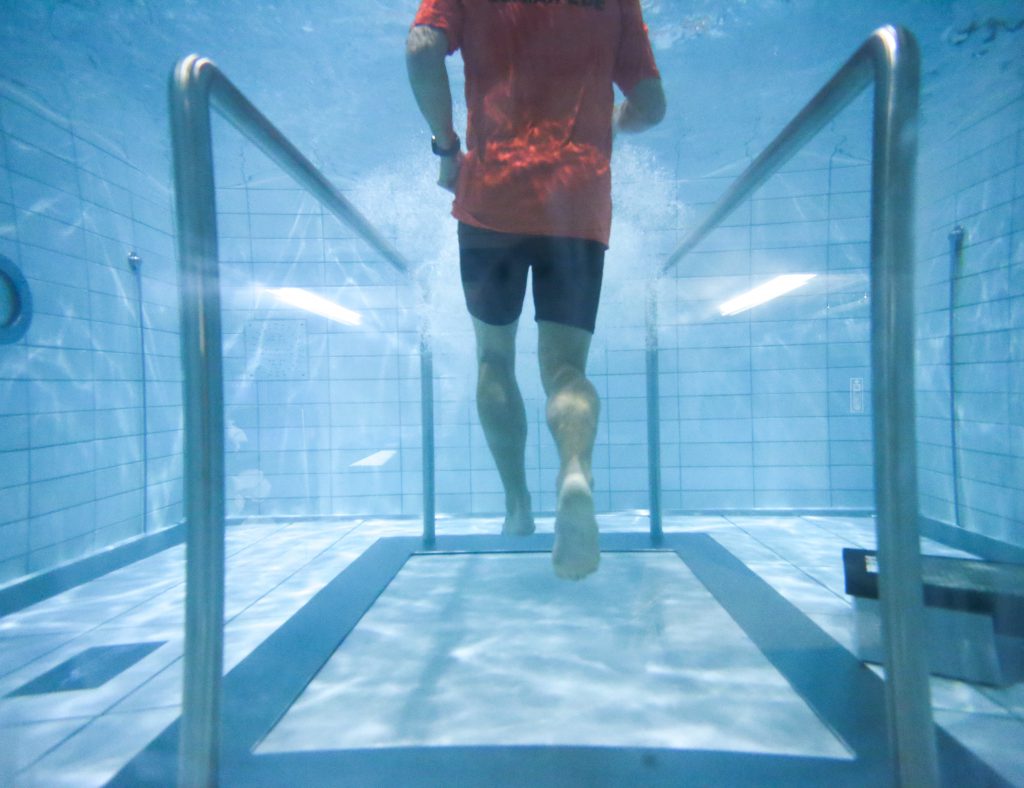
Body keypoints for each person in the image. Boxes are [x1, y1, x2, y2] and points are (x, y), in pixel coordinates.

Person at [406, 0, 664, 580]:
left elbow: (423, 49)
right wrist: (611, 122)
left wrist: (447, 146)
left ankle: (518, 507)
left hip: (491, 198)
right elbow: (653, 105)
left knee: (494, 359)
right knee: (566, 370)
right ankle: (574, 469)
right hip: (577, 202)